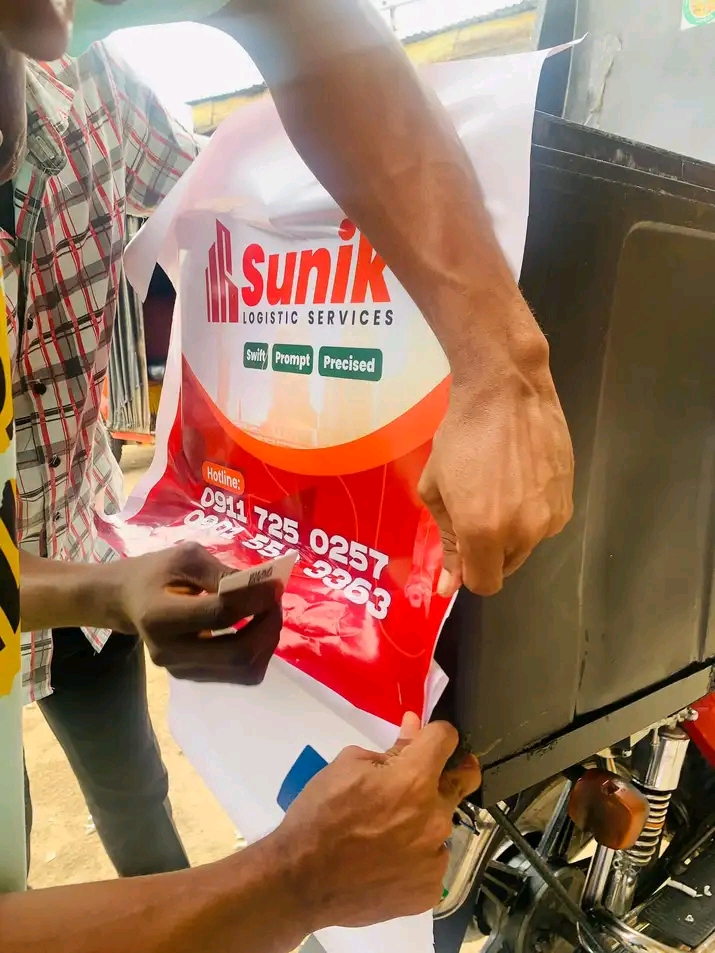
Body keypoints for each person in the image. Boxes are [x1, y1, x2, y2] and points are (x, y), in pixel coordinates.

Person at [5, 0, 572, 880]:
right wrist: (291, 883)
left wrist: (499, 359)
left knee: (133, 794)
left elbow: (261, 167)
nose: (54, 19)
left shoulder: (95, 86)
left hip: (80, 537)